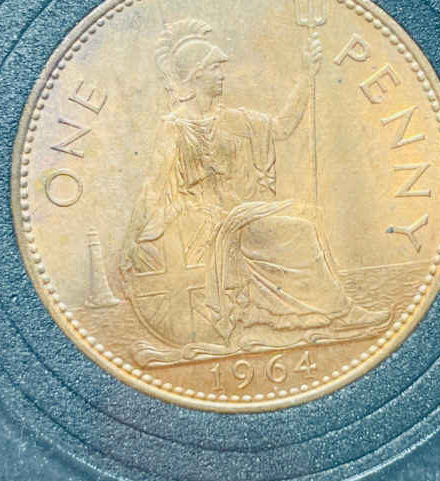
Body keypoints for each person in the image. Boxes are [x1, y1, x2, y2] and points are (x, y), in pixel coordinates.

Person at [120, 19, 388, 347]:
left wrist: (306, 75)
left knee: (306, 221)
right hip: (206, 221)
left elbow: (282, 127)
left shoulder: (234, 119)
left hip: (241, 213)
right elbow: (153, 187)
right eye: (215, 68)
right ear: (197, 74)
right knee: (300, 230)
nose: (222, 75)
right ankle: (339, 314)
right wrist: (130, 240)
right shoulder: (174, 128)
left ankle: (324, 311)